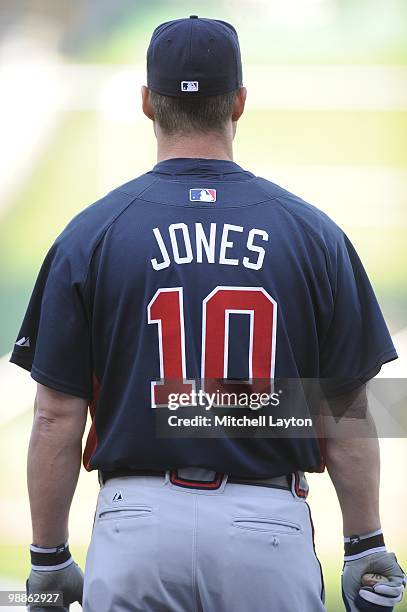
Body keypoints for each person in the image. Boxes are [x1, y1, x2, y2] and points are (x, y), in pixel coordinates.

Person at [10, 15, 405, 612]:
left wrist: (47, 557)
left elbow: (54, 419)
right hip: (266, 528)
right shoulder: (312, 234)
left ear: (147, 102)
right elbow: (344, 411)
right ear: (240, 102)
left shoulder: (91, 234)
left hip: (134, 527)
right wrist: (365, 544)